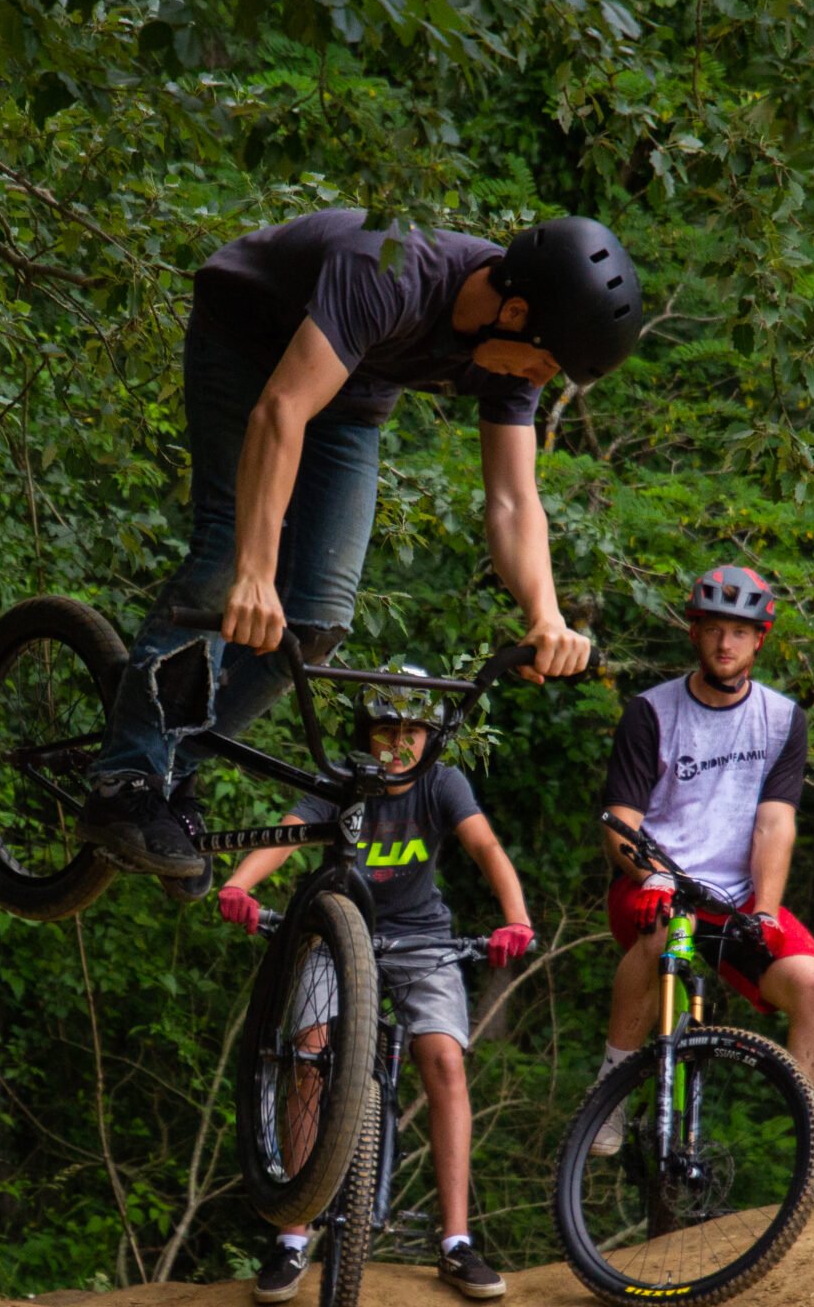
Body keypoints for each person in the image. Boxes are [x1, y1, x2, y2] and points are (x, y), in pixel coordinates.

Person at [78, 209, 645, 895]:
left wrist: (545, 614)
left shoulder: (515, 354)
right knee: (227, 561)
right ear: (515, 309)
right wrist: (256, 573)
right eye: (545, 360)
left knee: (317, 621)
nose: (538, 378)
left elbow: (513, 501)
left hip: (354, 389)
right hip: (246, 340)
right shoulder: (390, 271)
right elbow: (280, 410)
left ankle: (173, 762)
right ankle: (126, 777)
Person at [214, 676, 538, 1302]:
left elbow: (485, 846)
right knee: (309, 1052)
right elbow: (285, 834)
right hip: (337, 934)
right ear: (366, 735)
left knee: (444, 1059)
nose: (397, 744)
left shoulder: (442, 783)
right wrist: (238, 885)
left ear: (430, 737)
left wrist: (516, 918)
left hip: (421, 937)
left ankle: (456, 1242)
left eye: (411, 731)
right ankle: (291, 1238)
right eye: (385, 730)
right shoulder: (342, 782)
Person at [595, 566, 814, 1208]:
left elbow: (775, 821)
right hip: (656, 879)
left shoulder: (783, 719)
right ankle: (610, 1095)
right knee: (662, 930)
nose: (726, 644)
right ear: (693, 632)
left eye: (740, 632)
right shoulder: (650, 711)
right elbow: (621, 822)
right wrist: (650, 875)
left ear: (760, 641)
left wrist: (766, 909)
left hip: (733, 898)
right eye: (714, 630)